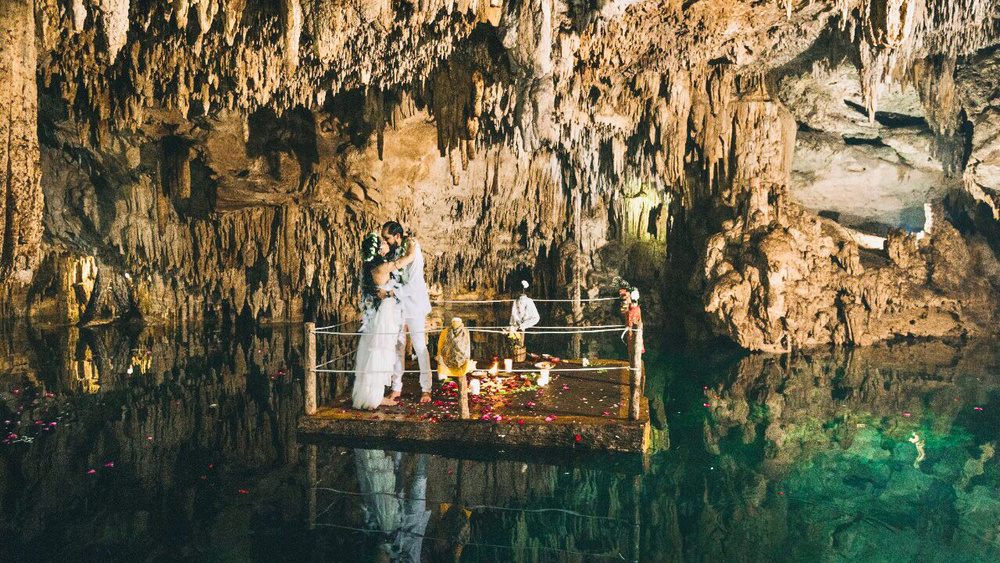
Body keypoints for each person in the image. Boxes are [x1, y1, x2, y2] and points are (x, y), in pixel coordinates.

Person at [352, 232, 417, 410]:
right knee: (381, 354)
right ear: (379, 251)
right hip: (385, 316)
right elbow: (409, 257)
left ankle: (372, 395)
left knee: (370, 355)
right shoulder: (383, 267)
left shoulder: (368, 268)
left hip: (374, 315)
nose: (385, 244)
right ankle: (375, 397)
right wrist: (411, 243)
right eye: (383, 243)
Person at [383, 221, 433, 404]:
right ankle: (396, 387)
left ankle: (426, 389)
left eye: (387, 238)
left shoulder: (413, 250)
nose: (386, 242)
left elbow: (412, 284)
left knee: (420, 347)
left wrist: (390, 292)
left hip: (414, 304)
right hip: (398, 305)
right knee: (398, 346)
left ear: (397, 236)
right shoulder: (395, 252)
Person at [509, 280, 540, 359]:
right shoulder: (516, 301)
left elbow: (535, 316)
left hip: (527, 324)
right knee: (517, 343)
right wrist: (515, 325)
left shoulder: (529, 301)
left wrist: (523, 325)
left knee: (525, 344)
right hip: (519, 326)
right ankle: (520, 357)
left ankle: (526, 357)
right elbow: (514, 314)